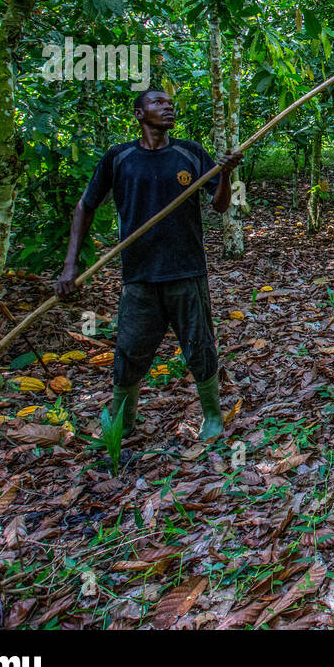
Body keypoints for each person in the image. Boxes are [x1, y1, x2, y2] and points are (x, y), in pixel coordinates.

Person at [55, 89, 242, 441]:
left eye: (170, 104)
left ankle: (212, 417)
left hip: (186, 269)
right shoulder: (119, 157)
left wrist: (226, 174)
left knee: (200, 345)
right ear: (139, 114)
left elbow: (219, 206)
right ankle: (123, 423)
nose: (167, 107)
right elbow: (85, 206)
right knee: (129, 349)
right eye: (157, 103)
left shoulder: (190, 152)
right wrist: (70, 266)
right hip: (139, 273)